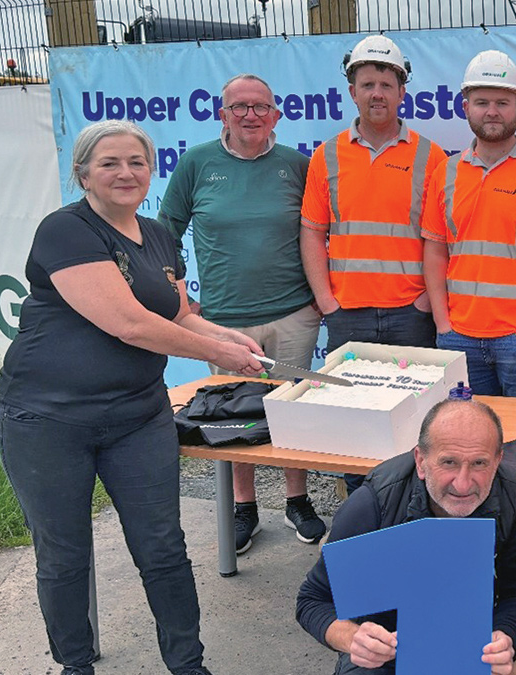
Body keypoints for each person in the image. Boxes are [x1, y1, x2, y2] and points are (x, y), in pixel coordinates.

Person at [0, 120, 266, 675]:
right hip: (47, 419)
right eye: (110, 163)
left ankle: (188, 665)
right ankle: (76, 666)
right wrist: (225, 356)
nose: (125, 173)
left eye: (136, 163)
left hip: (138, 416)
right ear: (84, 174)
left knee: (163, 548)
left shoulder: (160, 235)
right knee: (65, 555)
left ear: (152, 169)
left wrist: (226, 336)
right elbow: (129, 324)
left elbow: (177, 313)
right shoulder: (65, 230)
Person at [159, 73, 326, 554]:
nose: (250, 115)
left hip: (294, 312)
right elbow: (166, 231)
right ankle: (244, 507)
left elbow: (322, 229)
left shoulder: (297, 165)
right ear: (222, 113)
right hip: (223, 320)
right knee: (232, 414)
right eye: (239, 107)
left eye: (260, 107)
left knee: (293, 409)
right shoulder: (196, 164)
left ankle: (299, 500)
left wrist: (319, 293)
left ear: (276, 114)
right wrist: (177, 296)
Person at [420, 50, 516, 530]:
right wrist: (444, 324)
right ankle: (482, 533)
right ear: (464, 104)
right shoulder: (445, 173)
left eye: (502, 102)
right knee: (469, 452)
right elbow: (434, 252)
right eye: (483, 100)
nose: (492, 111)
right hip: (460, 338)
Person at [300, 35, 448, 496]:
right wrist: (327, 300)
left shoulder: (431, 156)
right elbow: (311, 231)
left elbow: (439, 239)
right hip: (349, 315)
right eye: (368, 84)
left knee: (414, 422)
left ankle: (408, 501)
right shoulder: (327, 156)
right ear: (352, 91)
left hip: (410, 314)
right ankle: (359, 506)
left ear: (403, 92)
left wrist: (425, 300)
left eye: (387, 83)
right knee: (352, 419)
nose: (377, 93)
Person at [296, 399, 516, 674]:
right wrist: (353, 638)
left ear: (498, 461)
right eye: (449, 462)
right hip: (389, 646)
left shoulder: (512, 494)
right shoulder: (376, 502)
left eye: (479, 463)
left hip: (476, 636)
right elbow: (312, 600)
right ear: (421, 461)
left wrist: (506, 636)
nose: (463, 482)